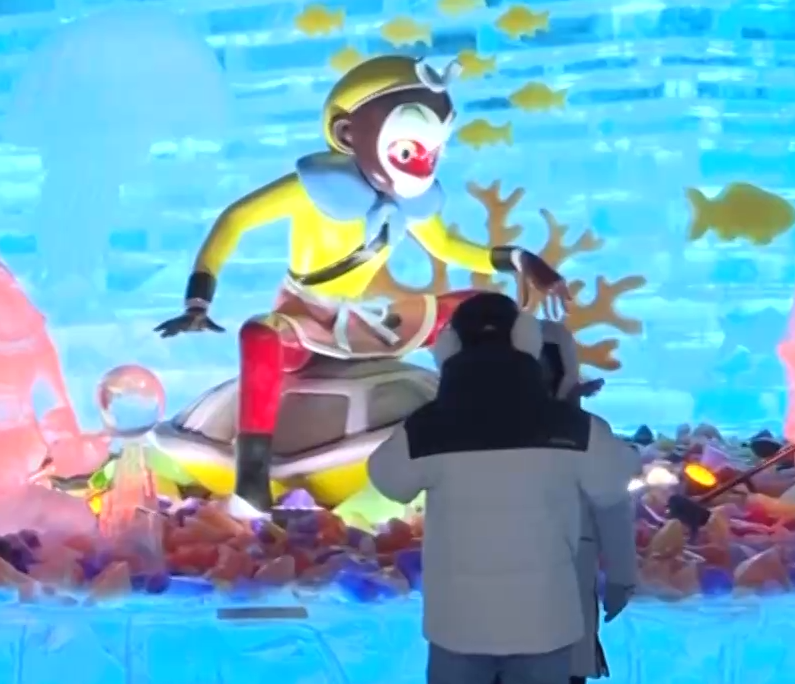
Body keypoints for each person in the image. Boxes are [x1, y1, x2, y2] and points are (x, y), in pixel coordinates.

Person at [153, 54, 571, 512]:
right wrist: (199, 300)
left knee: (483, 308)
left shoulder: (409, 202)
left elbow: (447, 246)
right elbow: (235, 220)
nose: (421, 162)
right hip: (304, 316)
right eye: (409, 150)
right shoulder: (311, 189)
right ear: (348, 134)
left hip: (363, 319)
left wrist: (519, 259)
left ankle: (524, 415)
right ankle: (252, 474)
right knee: (259, 335)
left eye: (431, 151)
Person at [367, 293, 638, 684]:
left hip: (457, 625)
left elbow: (388, 480)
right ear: (528, 343)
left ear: (448, 349)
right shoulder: (575, 429)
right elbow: (614, 490)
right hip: (545, 625)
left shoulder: (426, 429)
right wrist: (621, 575)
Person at [539, 321, 635, 684]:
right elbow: (613, 507)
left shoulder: (483, 429)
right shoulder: (587, 429)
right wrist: (621, 577)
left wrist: (621, 576)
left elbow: (612, 507)